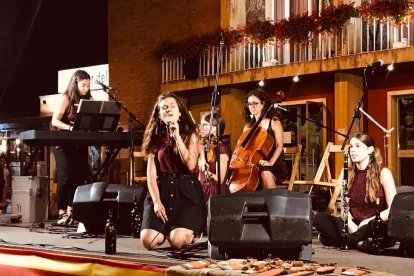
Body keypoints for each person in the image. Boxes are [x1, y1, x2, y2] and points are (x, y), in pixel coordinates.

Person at [140, 92, 206, 250]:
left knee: (177, 242)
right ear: (159, 113)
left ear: (180, 111)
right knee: (148, 242)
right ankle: (168, 229)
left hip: (185, 190)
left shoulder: (191, 133)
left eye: (172, 106)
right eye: (164, 107)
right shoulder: (154, 137)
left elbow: (190, 165)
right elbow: (151, 174)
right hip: (162, 188)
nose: (168, 109)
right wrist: (156, 202)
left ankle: (185, 231)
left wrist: (177, 137)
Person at [314, 132, 397, 250]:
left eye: (357, 146)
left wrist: (367, 222)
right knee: (319, 218)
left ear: (370, 150)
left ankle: (344, 241)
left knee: (382, 229)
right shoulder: (346, 172)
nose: (352, 150)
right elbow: (344, 206)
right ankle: (360, 243)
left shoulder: (384, 173)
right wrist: (350, 224)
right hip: (353, 225)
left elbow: (392, 209)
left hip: (373, 223)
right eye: (351, 147)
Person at [51, 70, 93, 224]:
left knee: (79, 176)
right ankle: (61, 211)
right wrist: (70, 128)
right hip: (63, 143)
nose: (86, 88)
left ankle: (72, 209)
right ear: (75, 83)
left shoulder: (88, 98)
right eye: (83, 85)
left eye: (88, 85)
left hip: (79, 143)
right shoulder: (67, 97)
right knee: (65, 176)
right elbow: (55, 121)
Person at [239, 88, 288, 189]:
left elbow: (279, 145)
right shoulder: (248, 126)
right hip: (254, 163)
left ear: (263, 104)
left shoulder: (274, 122)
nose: (251, 107)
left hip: (274, 163)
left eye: (255, 103)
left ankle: (272, 204)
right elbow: (244, 149)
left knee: (265, 172)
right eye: (249, 104)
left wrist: (270, 162)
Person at [198, 113, 231, 204]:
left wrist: (206, 171)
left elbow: (219, 179)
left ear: (215, 128)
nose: (201, 127)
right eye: (200, 124)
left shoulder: (221, 148)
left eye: (204, 125)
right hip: (201, 192)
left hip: (215, 194)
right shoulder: (203, 148)